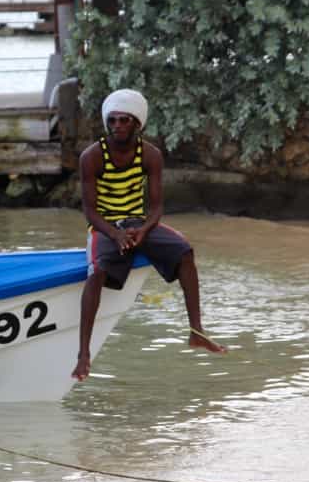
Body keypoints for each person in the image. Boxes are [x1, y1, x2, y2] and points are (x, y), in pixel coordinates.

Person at [72, 89, 225, 382]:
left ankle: (197, 331)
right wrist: (115, 236)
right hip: (105, 225)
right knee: (97, 272)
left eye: (124, 120)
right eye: (112, 120)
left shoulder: (151, 155)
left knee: (185, 252)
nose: (117, 125)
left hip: (138, 221)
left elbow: (156, 207)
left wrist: (143, 230)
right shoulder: (91, 157)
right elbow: (90, 213)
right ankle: (84, 354)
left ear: (137, 125)